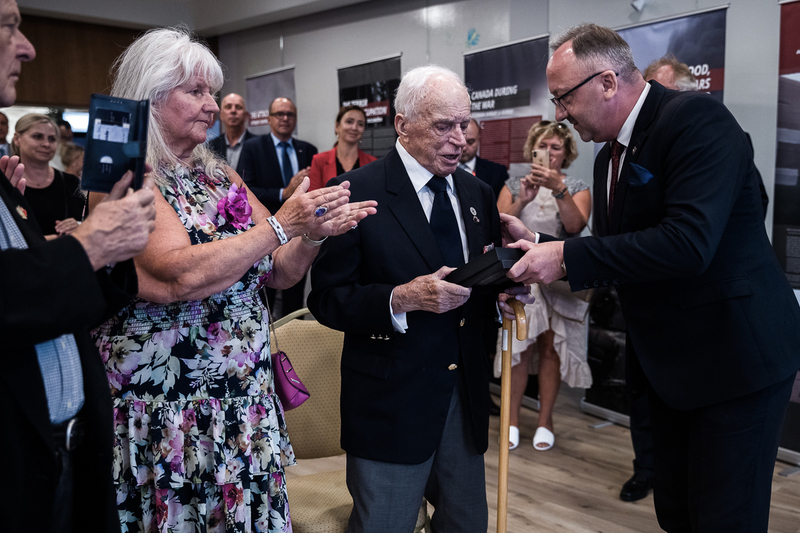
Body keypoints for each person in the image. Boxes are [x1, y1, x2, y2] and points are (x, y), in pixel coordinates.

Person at [504, 23, 800, 532]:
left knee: (725, 518)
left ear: (607, 82)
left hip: (732, 359)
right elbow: (623, 252)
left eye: (563, 98)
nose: (559, 116)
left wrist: (568, 257)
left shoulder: (696, 120)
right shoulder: (607, 156)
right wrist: (544, 250)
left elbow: (688, 244)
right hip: (671, 365)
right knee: (678, 513)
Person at [89, 27, 376, 533]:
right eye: (195, 92)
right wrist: (281, 225)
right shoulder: (129, 177)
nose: (211, 105)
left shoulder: (218, 174)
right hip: (173, 408)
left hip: (240, 402)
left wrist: (311, 235)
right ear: (152, 98)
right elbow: (179, 275)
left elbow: (281, 267)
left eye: (213, 92)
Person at [308, 65, 530, 533]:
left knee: (465, 523)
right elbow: (328, 299)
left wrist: (500, 296)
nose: (459, 140)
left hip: (463, 399)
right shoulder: (357, 194)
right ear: (402, 123)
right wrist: (401, 299)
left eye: (464, 125)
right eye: (443, 126)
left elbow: (478, 281)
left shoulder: (477, 193)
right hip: (391, 402)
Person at [0, 1, 158, 531]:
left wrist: (107, 248)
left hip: (63, 452)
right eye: (9, 26)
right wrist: (87, 246)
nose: (27, 47)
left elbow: (48, 294)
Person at [495, 120, 591, 451]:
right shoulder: (513, 182)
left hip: (558, 279)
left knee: (551, 350)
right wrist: (523, 198)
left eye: (556, 147)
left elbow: (575, 225)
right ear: (532, 149)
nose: (549, 153)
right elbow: (499, 224)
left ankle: (544, 420)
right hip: (522, 276)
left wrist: (559, 189)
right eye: (543, 146)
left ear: (566, 153)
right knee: (519, 351)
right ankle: (510, 421)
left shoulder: (576, 185)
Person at [239, 96, 318, 316]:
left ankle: (293, 339)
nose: (285, 118)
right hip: (264, 233)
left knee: (295, 290)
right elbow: (245, 192)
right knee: (265, 293)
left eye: (290, 114)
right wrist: (284, 192)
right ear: (269, 118)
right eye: (279, 114)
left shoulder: (308, 150)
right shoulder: (252, 148)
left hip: (299, 234)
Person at [11, 113, 85, 239]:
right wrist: (43, 242)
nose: (46, 144)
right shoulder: (8, 183)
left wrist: (80, 226)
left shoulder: (70, 183)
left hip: (63, 256)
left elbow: (89, 222)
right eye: (37, 137)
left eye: (52, 139)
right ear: (17, 139)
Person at [307, 105, 377, 191]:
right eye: (349, 121)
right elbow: (313, 199)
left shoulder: (372, 163)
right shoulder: (319, 160)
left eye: (360, 124)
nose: (354, 127)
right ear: (337, 126)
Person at [459, 118, 509, 199]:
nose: (464, 148)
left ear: (479, 139)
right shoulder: (442, 170)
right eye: (461, 142)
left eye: (470, 142)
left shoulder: (497, 172)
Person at [207, 92, 256, 170]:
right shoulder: (211, 147)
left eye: (238, 107)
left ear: (246, 115)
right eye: (228, 107)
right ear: (221, 115)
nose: (233, 111)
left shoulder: (258, 146)